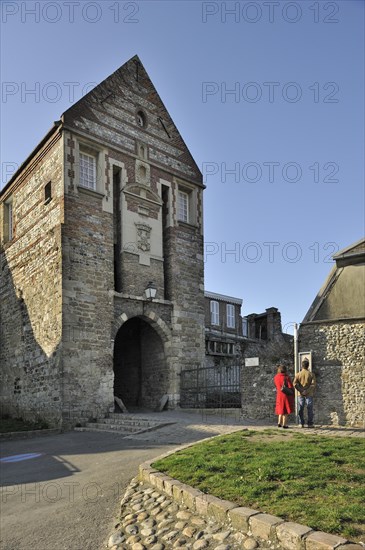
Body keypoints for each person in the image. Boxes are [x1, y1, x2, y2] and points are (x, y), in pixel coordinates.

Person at [293, 359, 316, 428]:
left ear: (302, 366)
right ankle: (310, 423)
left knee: (300, 408)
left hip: (300, 394)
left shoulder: (298, 374)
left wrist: (301, 390)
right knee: (310, 408)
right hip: (309, 393)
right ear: (308, 366)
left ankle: (301, 423)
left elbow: (294, 384)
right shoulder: (311, 374)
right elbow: (313, 384)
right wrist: (307, 391)